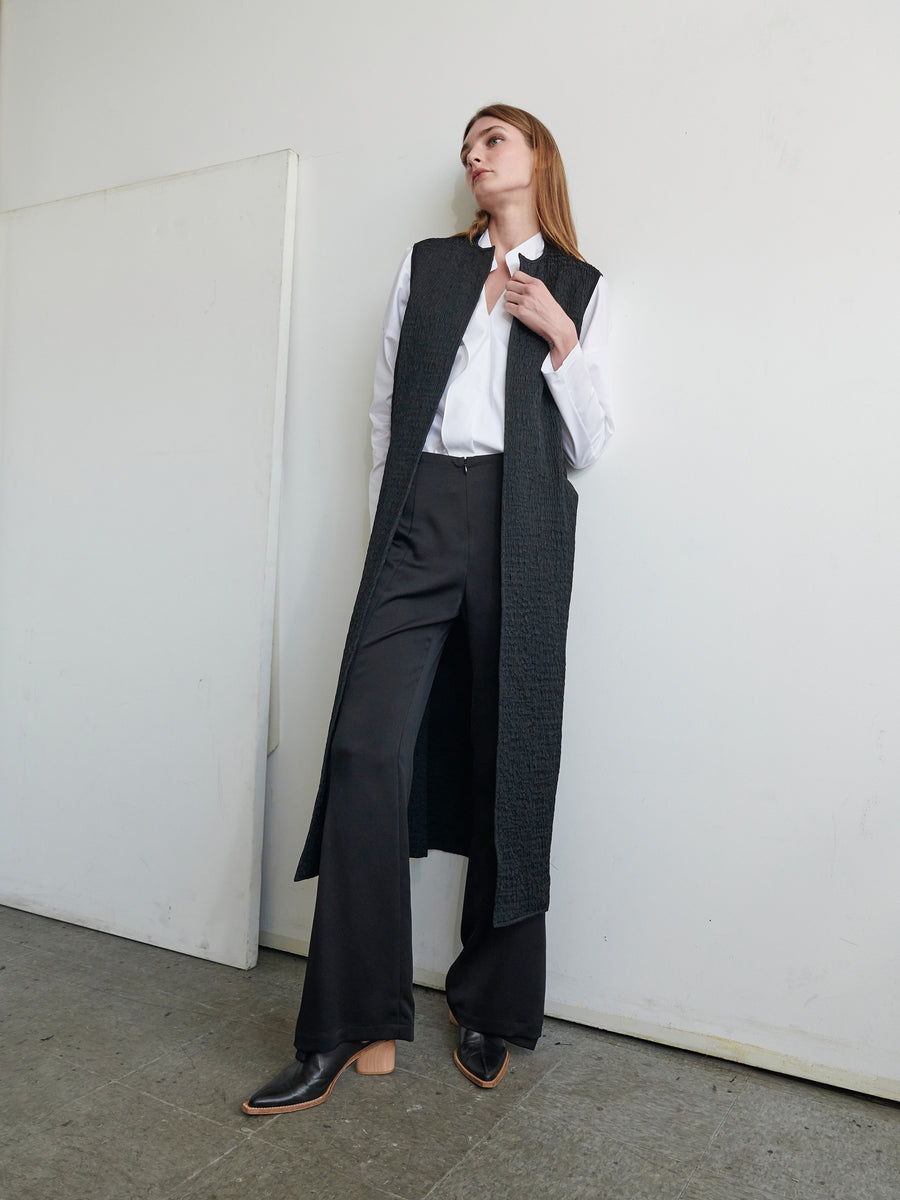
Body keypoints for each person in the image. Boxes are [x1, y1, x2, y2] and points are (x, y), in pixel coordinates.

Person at [242, 103, 613, 1115]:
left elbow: (588, 444)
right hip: (420, 518)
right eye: (468, 144)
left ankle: (491, 1003)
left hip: (520, 526)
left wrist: (559, 335)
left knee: (511, 748)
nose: (474, 152)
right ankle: (344, 1022)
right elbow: (383, 406)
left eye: (493, 138)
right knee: (366, 751)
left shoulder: (574, 284)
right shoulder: (431, 266)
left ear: (536, 157)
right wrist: (389, 521)